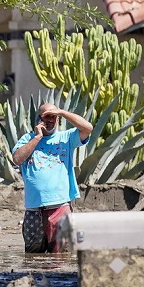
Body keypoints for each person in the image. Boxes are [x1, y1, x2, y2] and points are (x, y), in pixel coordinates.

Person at [11, 103, 93, 253]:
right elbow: (17, 159)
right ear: (38, 119)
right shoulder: (27, 139)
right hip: (33, 209)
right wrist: (37, 138)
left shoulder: (66, 137)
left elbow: (87, 128)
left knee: (60, 257)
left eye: (53, 117)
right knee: (32, 257)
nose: (49, 121)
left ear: (58, 120)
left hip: (59, 207)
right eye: (45, 117)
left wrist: (61, 112)